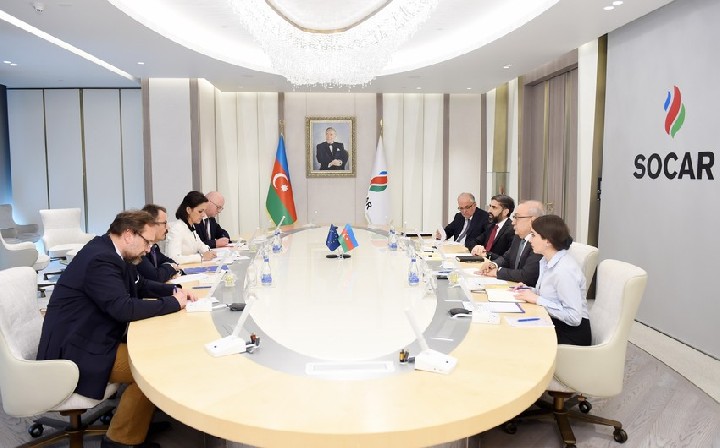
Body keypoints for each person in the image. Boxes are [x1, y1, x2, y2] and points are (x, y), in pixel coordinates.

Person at [36, 210, 196, 448]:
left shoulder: (115, 252)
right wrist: (173, 303)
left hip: (89, 337)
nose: (149, 249)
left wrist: (176, 291)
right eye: (147, 242)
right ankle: (119, 440)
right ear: (129, 234)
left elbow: (140, 285)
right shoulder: (100, 259)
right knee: (152, 369)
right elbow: (122, 308)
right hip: (76, 349)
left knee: (155, 355)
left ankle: (136, 425)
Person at [514, 214, 591, 346]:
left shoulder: (563, 271)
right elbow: (551, 295)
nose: (530, 239)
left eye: (533, 235)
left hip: (570, 334)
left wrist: (537, 299)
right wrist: (529, 290)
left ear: (548, 241)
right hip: (555, 322)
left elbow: (574, 317)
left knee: (521, 339)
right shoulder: (546, 261)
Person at [476, 200, 544, 286]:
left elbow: (526, 275)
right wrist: (493, 264)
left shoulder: (539, 242)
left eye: (517, 217)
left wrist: (498, 272)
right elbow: (507, 258)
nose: (513, 222)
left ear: (532, 220)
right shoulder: (518, 237)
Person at [166, 191, 216, 265]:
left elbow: (200, 245)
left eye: (204, 211)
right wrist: (201, 257)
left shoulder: (191, 227)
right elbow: (174, 258)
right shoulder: (177, 229)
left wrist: (209, 251)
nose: (203, 215)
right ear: (188, 210)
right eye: (200, 211)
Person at [137, 204, 180, 283]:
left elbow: (172, 262)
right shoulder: (139, 250)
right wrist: (170, 269)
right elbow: (156, 277)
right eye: (164, 223)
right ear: (151, 225)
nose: (168, 227)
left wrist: (166, 270)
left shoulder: (154, 247)